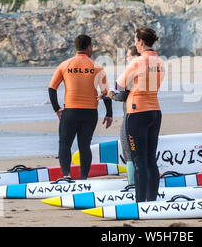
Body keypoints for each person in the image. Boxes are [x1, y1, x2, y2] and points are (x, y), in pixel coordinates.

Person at [48, 34, 113, 180]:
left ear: (76, 47)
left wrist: (57, 109)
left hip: (70, 112)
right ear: (89, 47)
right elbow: (105, 93)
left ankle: (66, 175)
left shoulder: (65, 65)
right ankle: (83, 178)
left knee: (65, 143)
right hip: (90, 113)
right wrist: (109, 113)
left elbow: (52, 88)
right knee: (84, 145)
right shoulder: (97, 67)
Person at [115, 27, 165, 202]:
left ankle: (140, 203)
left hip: (137, 113)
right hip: (155, 112)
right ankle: (151, 201)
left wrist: (111, 94)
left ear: (141, 42)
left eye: (136, 40)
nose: (135, 43)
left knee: (139, 162)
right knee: (151, 160)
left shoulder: (137, 62)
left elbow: (119, 86)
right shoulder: (159, 61)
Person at [101, 46, 140, 186]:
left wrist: (111, 95)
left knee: (129, 153)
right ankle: (145, 183)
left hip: (131, 116)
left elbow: (123, 95)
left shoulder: (132, 70)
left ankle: (132, 185)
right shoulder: (149, 68)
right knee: (143, 153)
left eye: (128, 56)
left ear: (135, 56)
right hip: (149, 112)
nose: (126, 58)